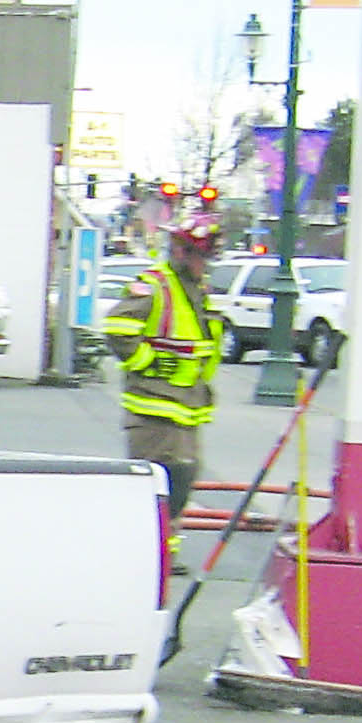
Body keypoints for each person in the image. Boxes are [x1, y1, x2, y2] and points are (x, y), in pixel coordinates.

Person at [101, 207, 226, 527]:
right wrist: (151, 364)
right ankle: (151, 556)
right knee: (157, 487)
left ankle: (166, 557)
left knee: (181, 483)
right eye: (201, 257)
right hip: (154, 410)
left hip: (186, 409)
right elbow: (118, 329)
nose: (204, 265)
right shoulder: (154, 286)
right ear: (182, 253)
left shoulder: (197, 290)